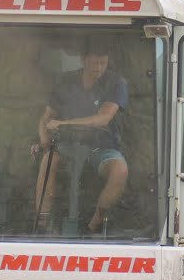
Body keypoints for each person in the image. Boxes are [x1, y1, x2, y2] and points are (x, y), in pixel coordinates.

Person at [32, 50, 129, 234]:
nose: (99, 68)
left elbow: (104, 118)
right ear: (83, 59)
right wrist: (44, 142)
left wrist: (64, 123)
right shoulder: (66, 81)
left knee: (120, 170)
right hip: (66, 145)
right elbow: (46, 118)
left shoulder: (117, 83)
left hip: (103, 146)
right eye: (94, 63)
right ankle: (42, 224)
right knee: (48, 160)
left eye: (103, 63)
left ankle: (94, 226)